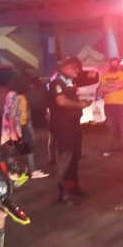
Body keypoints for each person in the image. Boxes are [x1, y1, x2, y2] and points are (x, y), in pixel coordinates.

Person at [49, 57, 90, 205]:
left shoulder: (68, 81)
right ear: (68, 68)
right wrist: (79, 104)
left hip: (73, 123)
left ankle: (73, 187)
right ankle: (63, 193)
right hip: (63, 124)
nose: (77, 73)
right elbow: (61, 101)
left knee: (75, 156)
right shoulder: (57, 81)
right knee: (65, 157)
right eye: (76, 70)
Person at [1, 75, 49, 178]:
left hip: (20, 126)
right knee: (13, 149)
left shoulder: (12, 95)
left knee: (25, 147)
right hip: (14, 127)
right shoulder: (14, 97)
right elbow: (11, 116)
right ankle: (13, 172)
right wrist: (13, 132)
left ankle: (31, 170)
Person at [100, 58, 123, 157]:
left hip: (121, 104)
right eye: (112, 63)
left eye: (116, 64)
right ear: (109, 64)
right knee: (111, 128)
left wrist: (108, 87)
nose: (114, 65)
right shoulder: (104, 76)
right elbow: (101, 89)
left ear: (118, 65)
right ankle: (109, 149)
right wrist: (114, 86)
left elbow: (122, 85)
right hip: (109, 105)